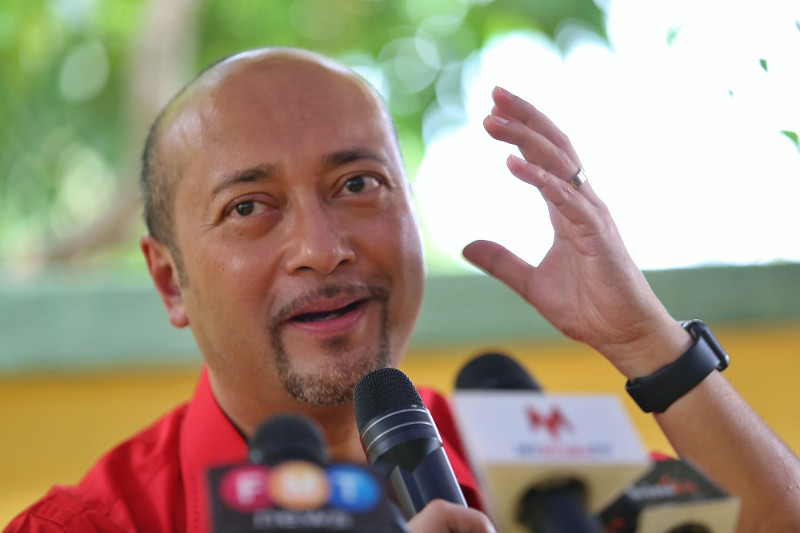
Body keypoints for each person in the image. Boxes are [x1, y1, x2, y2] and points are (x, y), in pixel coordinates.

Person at [5, 47, 800, 532]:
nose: (322, 247)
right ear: (169, 280)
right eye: (249, 207)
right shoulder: (93, 525)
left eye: (359, 184)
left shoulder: (537, 458)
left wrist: (647, 341)